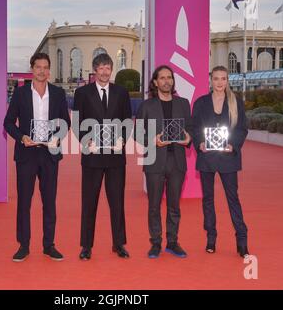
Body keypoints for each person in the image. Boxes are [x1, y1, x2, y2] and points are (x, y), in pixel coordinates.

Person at [4, 52, 71, 262]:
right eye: (38, 67)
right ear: (32, 69)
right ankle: (23, 245)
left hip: (50, 154)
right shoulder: (21, 93)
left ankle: (49, 245)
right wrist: (21, 137)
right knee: (24, 201)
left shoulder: (59, 93)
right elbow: (7, 123)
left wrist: (58, 138)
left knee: (49, 202)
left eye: (45, 67)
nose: (42, 71)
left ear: (49, 70)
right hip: (26, 154)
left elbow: (65, 123)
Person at [73, 53, 132, 260]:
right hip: (92, 156)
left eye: (108, 68)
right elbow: (76, 122)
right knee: (89, 202)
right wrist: (85, 140)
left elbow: (127, 120)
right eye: (101, 68)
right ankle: (86, 246)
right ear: (94, 70)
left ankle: (119, 244)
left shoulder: (122, 92)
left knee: (117, 202)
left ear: (111, 69)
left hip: (116, 157)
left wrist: (123, 139)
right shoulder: (82, 93)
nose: (105, 72)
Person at [191, 65, 250, 258]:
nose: (219, 82)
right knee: (208, 200)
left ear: (227, 81)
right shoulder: (200, 102)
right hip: (207, 157)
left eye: (223, 79)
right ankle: (211, 238)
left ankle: (242, 241)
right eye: (216, 79)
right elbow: (194, 127)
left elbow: (242, 128)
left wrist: (233, 144)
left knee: (233, 199)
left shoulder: (236, 102)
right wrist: (199, 142)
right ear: (211, 80)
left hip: (228, 158)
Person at [135, 65, 192, 259]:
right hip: (154, 161)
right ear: (155, 82)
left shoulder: (183, 103)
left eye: (169, 78)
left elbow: (190, 129)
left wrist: (188, 139)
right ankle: (156, 243)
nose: (167, 81)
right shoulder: (147, 106)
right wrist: (152, 140)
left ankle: (173, 242)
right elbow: (136, 133)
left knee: (174, 205)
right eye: (162, 78)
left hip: (177, 161)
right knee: (154, 205)